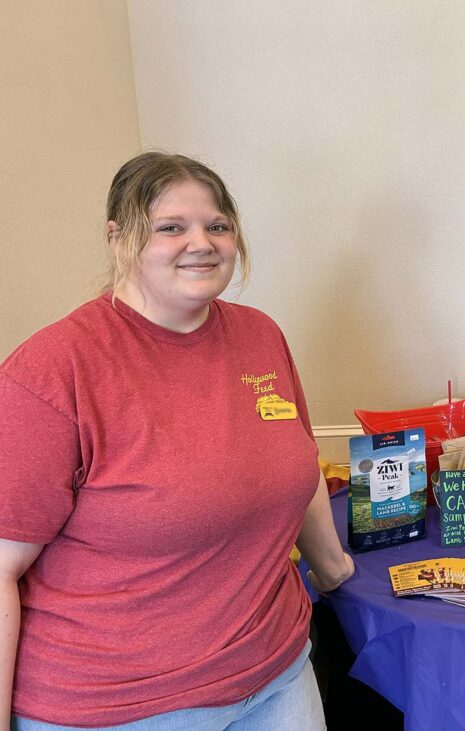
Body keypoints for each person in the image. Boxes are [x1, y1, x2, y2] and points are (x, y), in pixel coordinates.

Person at [0, 152, 354, 730]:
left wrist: (333, 566)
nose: (202, 242)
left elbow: (297, 463)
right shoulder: (53, 369)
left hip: (277, 674)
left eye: (217, 225)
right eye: (172, 227)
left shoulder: (260, 336)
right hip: (120, 706)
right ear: (118, 238)